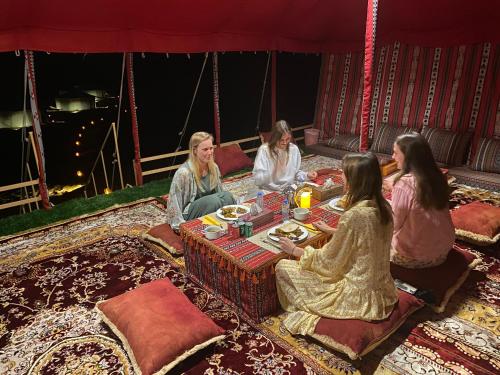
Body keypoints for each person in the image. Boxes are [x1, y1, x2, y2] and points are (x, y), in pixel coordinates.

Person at [275, 153, 398, 336]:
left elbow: (329, 262)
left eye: (344, 173)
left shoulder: (354, 216)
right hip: (383, 290)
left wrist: (295, 250)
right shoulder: (384, 206)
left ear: (355, 180)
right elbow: (366, 241)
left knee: (283, 267)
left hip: (357, 296)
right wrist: (335, 232)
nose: (341, 176)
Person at [387, 133, 455, 268]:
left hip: (414, 257)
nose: (392, 157)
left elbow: (394, 225)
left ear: (408, 156)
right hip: (443, 251)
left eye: (395, 153)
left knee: (368, 232)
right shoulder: (437, 176)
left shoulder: (403, 184)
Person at [166, 132, 235, 231]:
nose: (210, 152)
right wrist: (181, 227)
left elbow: (220, 194)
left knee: (228, 196)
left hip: (209, 208)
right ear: (194, 151)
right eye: (205, 149)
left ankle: (226, 224)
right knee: (213, 201)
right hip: (190, 213)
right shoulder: (184, 173)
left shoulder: (213, 167)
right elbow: (174, 202)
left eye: (211, 148)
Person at [253, 120, 318, 191]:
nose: (285, 143)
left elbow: (295, 173)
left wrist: (306, 175)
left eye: (288, 139)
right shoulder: (264, 150)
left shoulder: (293, 149)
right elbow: (257, 180)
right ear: (275, 138)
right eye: (281, 140)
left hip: (288, 189)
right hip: (269, 191)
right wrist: (272, 170)